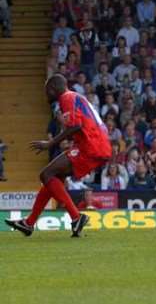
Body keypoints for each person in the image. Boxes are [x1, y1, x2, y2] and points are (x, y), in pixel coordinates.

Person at [5, 74, 112, 237]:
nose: (46, 95)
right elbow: (79, 125)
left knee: (46, 174)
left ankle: (76, 217)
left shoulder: (66, 97)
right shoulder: (76, 97)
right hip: (96, 144)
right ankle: (29, 223)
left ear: (53, 89)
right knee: (53, 178)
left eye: (46, 91)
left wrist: (50, 143)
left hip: (91, 146)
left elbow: (76, 125)